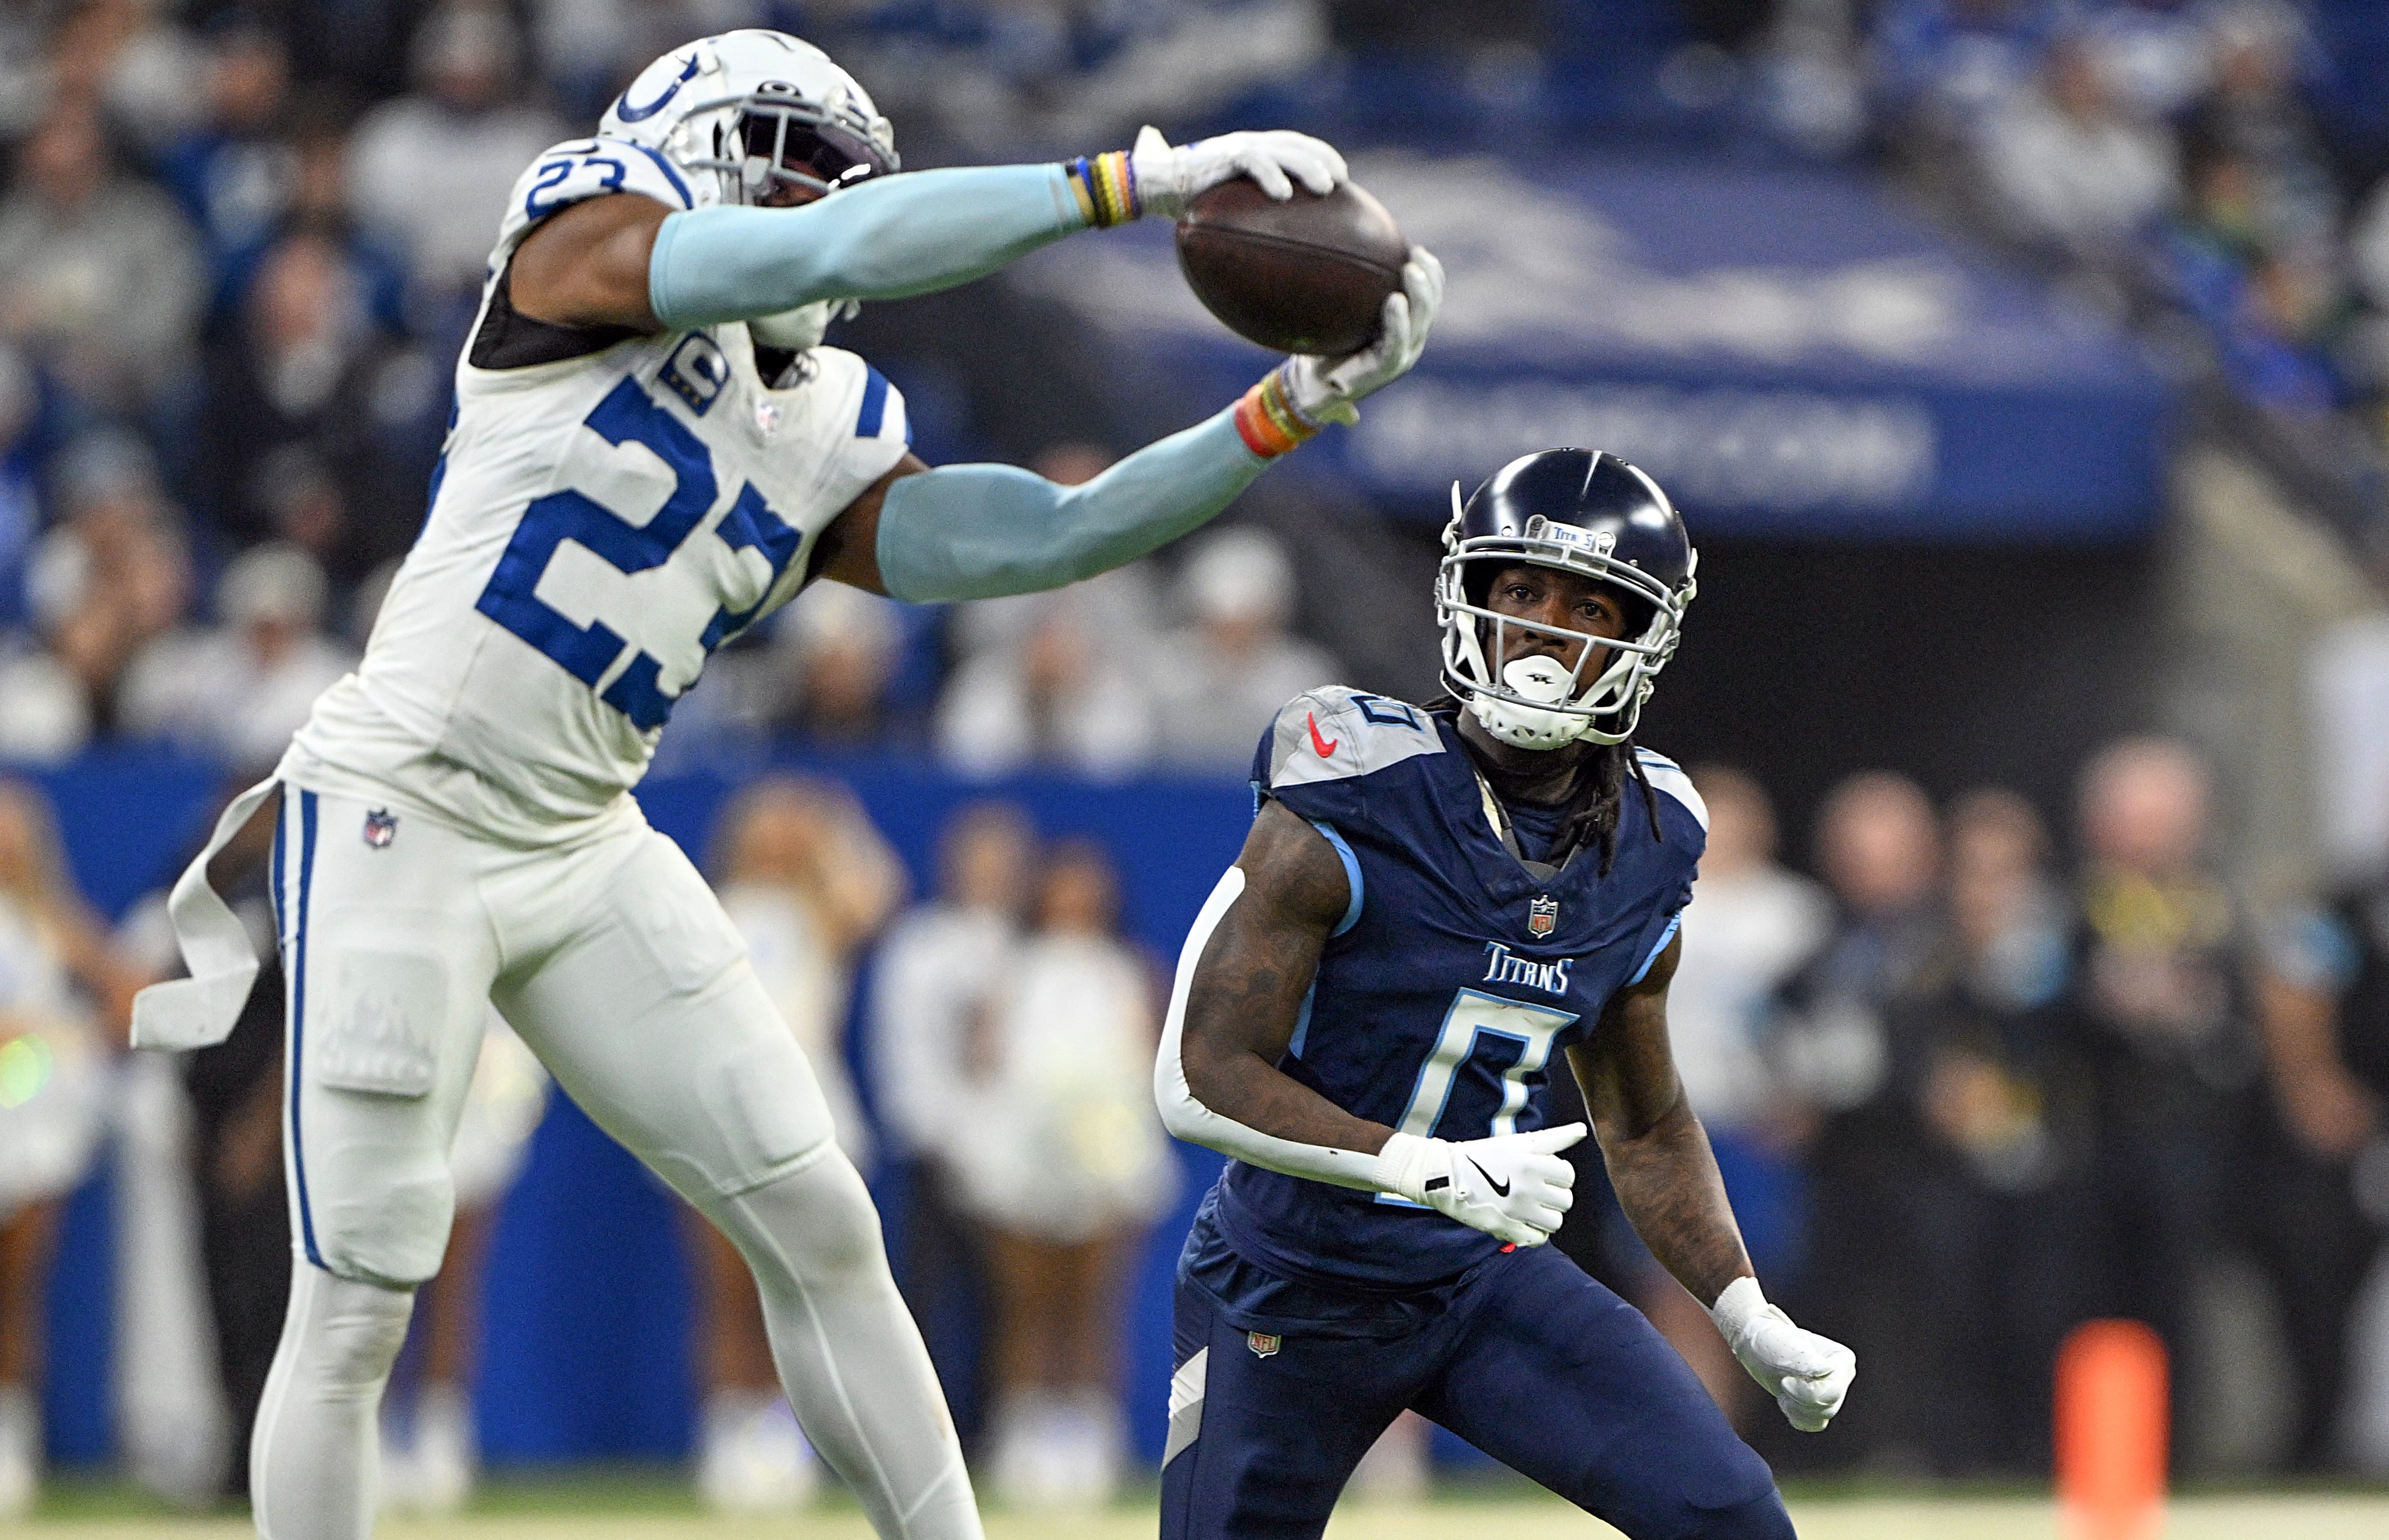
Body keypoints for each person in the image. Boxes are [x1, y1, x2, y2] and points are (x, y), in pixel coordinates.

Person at [129, 27, 1440, 1540]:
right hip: (402, 807)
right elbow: (835, 238)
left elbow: (1051, 535)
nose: (814, 208)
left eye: (831, 179)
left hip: (579, 833)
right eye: (790, 162)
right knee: (359, 1290)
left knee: (821, 1215)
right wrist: (1131, 181)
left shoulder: (825, 421)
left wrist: (1284, 411)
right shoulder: (581, 230)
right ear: (692, 139)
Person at [1154, 449, 1852, 1539]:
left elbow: (1646, 1117)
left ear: (1642, 639)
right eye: (1522, 589)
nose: (1543, 625)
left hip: (1477, 1283)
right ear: (1470, 594)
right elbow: (1197, 1078)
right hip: (1286, 1284)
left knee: (1735, 1519)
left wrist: (1744, 1310)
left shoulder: (1649, 833)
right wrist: (1420, 1165)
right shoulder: (1356, 779)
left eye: (1588, 604)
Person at [692, 775, 904, 1513]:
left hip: (813, 1111)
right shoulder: (713, 910)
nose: (778, 842)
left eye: (792, 832)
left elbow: (879, 888)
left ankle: (792, 1434)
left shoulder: (820, 912)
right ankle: (730, 1429)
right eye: (766, 829)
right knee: (727, 1289)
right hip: (721, 1117)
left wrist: (830, 816)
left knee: (806, 1292)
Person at [959, 838, 1173, 1507]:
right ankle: (1023, 1437)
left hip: (1107, 1160)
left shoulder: (1128, 970)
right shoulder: (1012, 971)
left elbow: (1148, 1064)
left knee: (1092, 1309)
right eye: (1063, 885)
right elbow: (987, 1062)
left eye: (1089, 886)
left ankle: (1089, 1439)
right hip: (1023, 1161)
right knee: (1027, 1308)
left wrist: (1106, 1134)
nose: (1075, 899)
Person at [0, 778, 141, 1515]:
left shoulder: (54, 921)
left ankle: (12, 1442)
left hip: (29, 1124)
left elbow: (128, 994)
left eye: (15, 830)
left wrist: (63, 1040)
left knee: (20, 1288)